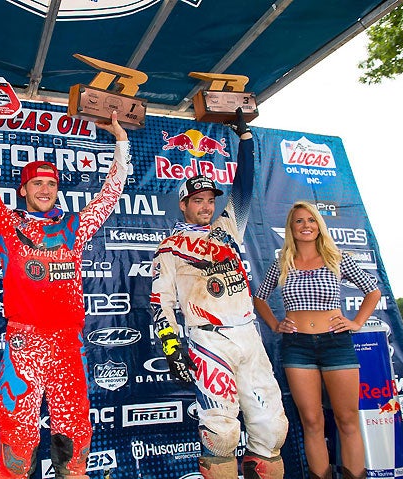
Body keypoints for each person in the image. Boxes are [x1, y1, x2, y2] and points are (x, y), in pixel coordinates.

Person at [0, 80, 130, 479]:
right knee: (17, 442)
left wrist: (121, 143)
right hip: (24, 341)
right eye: (37, 183)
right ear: (23, 189)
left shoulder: (74, 227)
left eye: (51, 183)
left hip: (68, 342)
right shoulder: (7, 224)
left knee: (74, 440)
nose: (45, 189)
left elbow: (108, 195)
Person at [151, 108, 288, 479]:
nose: (206, 206)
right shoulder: (169, 248)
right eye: (198, 201)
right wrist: (171, 345)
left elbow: (244, 185)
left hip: (248, 334)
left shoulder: (229, 228)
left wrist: (245, 141)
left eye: (210, 200)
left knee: (273, 430)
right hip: (209, 340)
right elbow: (160, 302)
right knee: (223, 432)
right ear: (183, 204)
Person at [253, 201, 381, 479]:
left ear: (319, 226)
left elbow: (372, 291)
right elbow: (259, 297)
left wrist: (356, 322)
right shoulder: (283, 262)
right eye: (299, 221)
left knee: (347, 420)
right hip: (297, 348)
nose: (306, 226)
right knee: (312, 421)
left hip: (336, 344)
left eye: (311, 220)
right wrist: (276, 324)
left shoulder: (338, 258)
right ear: (291, 228)